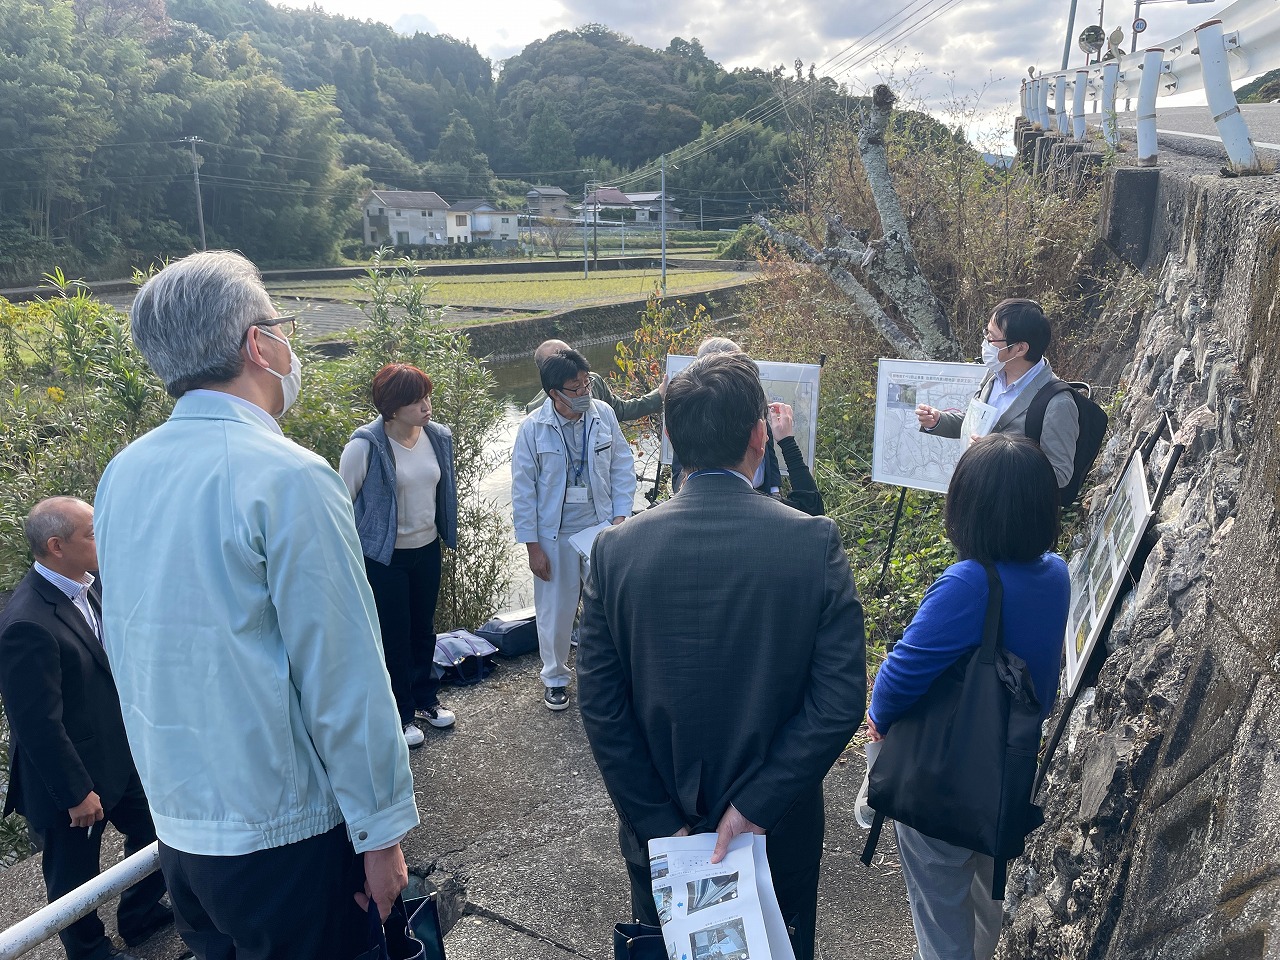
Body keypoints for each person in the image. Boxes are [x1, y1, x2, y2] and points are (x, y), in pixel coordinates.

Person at [94, 251, 418, 960]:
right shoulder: (289, 477)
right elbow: (344, 675)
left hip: (183, 831)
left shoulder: (123, 474)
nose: (285, 340)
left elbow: (131, 643)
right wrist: (382, 831)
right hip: (286, 835)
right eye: (279, 324)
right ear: (256, 344)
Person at [578, 352, 866, 960]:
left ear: (670, 439)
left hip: (662, 838)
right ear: (760, 437)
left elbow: (602, 708)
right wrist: (755, 806)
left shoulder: (615, 551)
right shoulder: (811, 541)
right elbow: (839, 701)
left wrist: (661, 826)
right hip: (775, 833)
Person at [866, 433, 1069, 960]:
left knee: (941, 913)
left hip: (945, 775)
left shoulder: (970, 584)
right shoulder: (1058, 574)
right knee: (988, 890)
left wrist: (878, 725)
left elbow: (895, 682)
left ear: (968, 507)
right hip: (1010, 769)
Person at [0, 498, 171, 960]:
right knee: (72, 874)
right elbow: (35, 723)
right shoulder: (26, 623)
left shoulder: (89, 586)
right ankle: (89, 951)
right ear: (57, 546)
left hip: (116, 755)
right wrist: (75, 792)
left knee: (160, 833)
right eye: (92, 533)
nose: (104, 538)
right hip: (65, 776)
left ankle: (138, 916)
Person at [340, 363, 458, 749]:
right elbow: (342, 504)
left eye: (427, 396)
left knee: (423, 627)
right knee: (394, 634)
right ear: (392, 407)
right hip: (384, 558)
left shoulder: (437, 437)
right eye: (415, 400)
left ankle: (427, 699)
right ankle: (401, 712)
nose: (426, 406)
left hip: (426, 548)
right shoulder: (364, 446)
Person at [511, 347, 636, 712]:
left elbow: (621, 466)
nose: (585, 393)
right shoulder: (533, 428)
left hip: (601, 527)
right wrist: (533, 547)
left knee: (610, 606)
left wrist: (620, 518)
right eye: (576, 388)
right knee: (556, 610)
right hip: (555, 535)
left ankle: (613, 674)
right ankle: (555, 679)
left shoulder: (604, 415)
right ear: (554, 393)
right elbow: (523, 490)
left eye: (586, 384)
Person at [915, 298, 1079, 492]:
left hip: (1011, 512)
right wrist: (939, 421)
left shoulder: (1058, 403)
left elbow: (1060, 474)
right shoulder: (994, 375)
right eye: (986, 334)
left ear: (1020, 348)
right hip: (975, 492)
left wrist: (996, 458)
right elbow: (979, 424)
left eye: (991, 338)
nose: (985, 343)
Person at [523, 338, 666, 422]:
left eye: (571, 354)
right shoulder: (535, 414)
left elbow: (621, 410)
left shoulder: (594, 383)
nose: (584, 390)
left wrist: (658, 396)